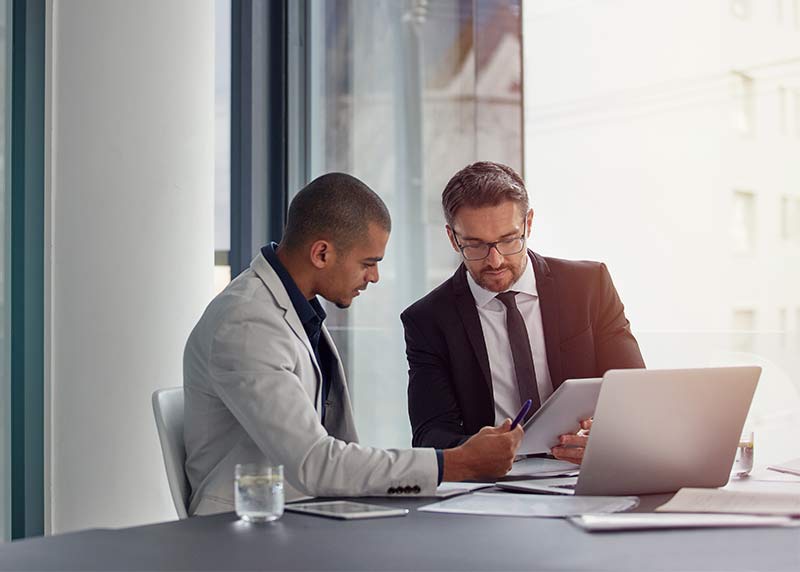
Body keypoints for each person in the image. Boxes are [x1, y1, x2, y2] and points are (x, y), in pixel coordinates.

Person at [183, 172, 522, 516]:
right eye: (368, 263)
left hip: (304, 515)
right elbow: (315, 463)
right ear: (322, 253)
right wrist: (455, 463)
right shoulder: (247, 322)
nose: (373, 277)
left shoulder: (294, 310)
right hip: (245, 530)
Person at [402, 161, 644, 464]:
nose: (495, 260)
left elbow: (636, 396)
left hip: (586, 472)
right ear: (453, 238)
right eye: (475, 245)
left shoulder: (589, 286)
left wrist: (607, 437)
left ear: (528, 224)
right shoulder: (427, 320)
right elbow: (429, 433)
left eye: (508, 240)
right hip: (493, 484)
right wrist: (476, 450)